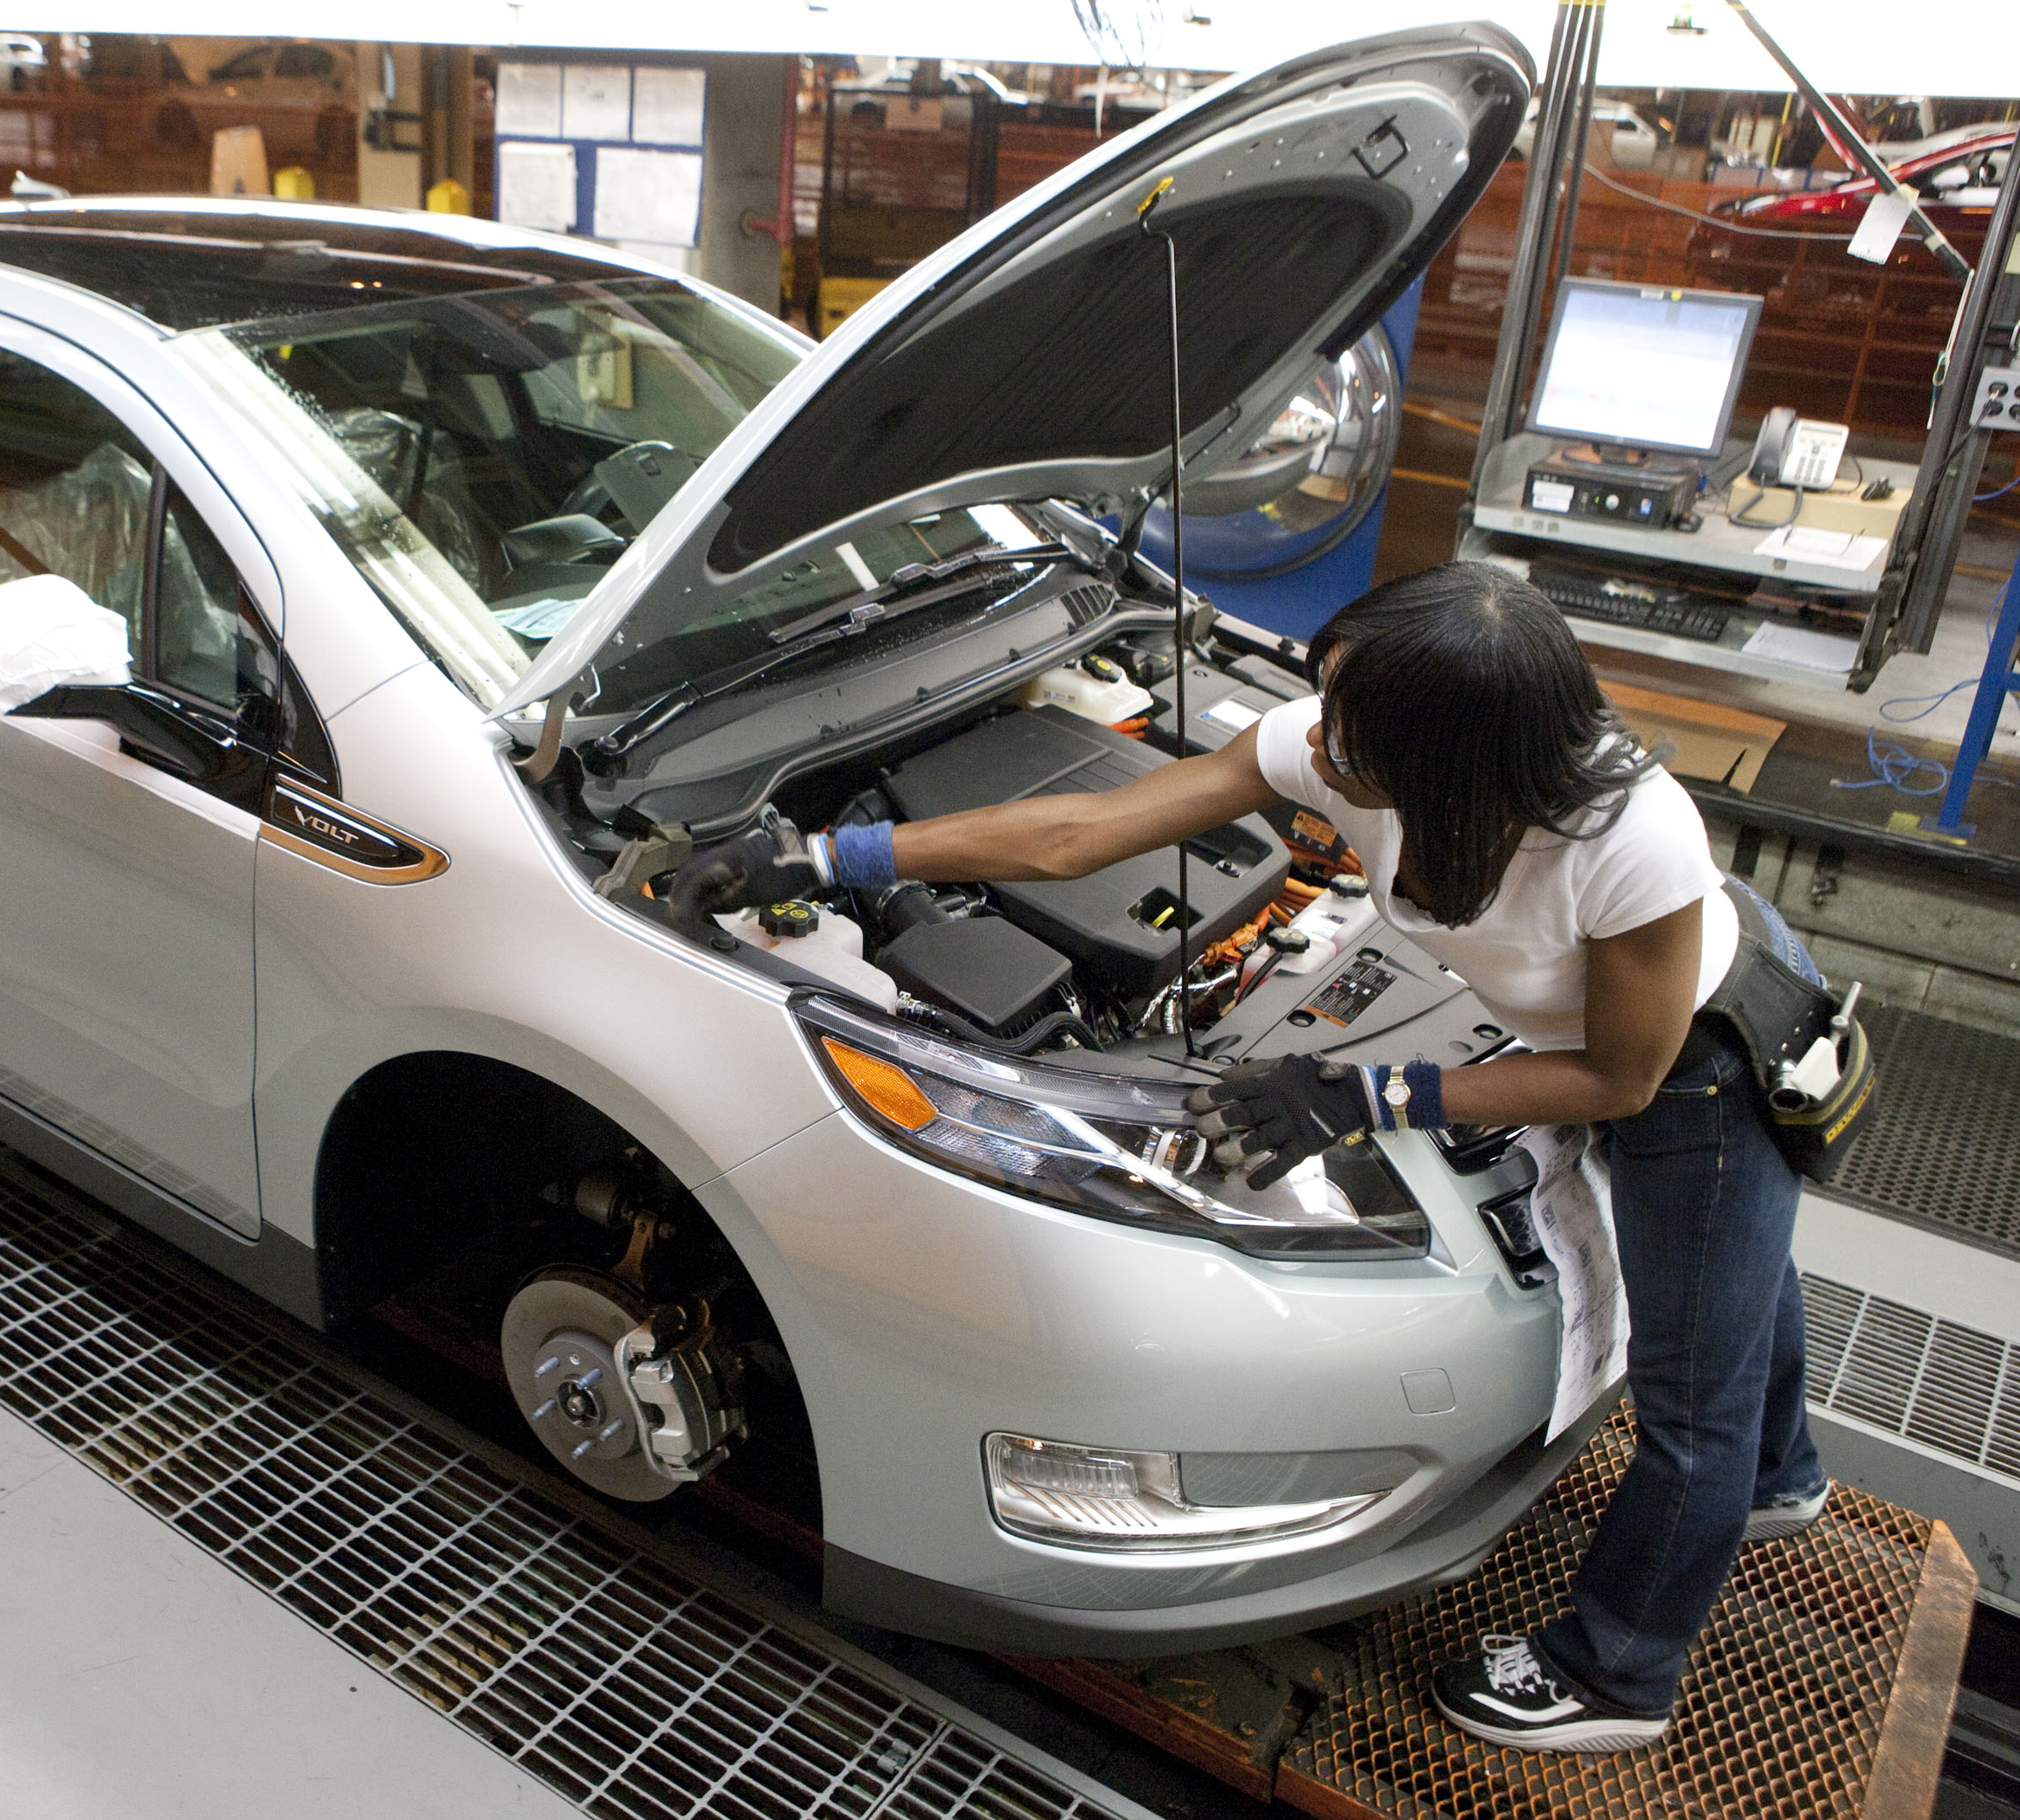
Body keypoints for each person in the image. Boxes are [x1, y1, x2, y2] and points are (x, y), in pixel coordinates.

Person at [671, 561, 1830, 1753]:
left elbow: (1617, 1081)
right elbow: (1083, 831)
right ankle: (1782, 1477)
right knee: (1732, 1274)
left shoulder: (1631, 841)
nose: (1316, 736)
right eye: (1327, 698)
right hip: (1589, 1030)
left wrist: (1372, 1094)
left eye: (1350, 723)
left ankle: (1618, 1672)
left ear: (1450, 757)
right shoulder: (1348, 747)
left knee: (1695, 1395)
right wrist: (835, 860)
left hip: (1700, 1060)